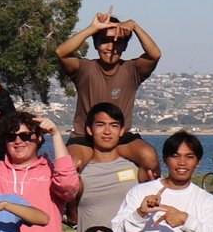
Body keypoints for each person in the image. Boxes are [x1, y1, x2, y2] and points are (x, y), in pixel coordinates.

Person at [110, 132, 213, 232]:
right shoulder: (140, 192)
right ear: (164, 159)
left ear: (198, 162)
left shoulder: (207, 201)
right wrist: (140, 214)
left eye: (189, 157)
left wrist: (186, 221)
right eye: (175, 156)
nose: (182, 163)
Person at [55, 9, 161, 139]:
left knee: (148, 156)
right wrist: (92, 28)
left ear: (125, 46)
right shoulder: (84, 68)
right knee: (75, 160)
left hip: (120, 137)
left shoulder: (132, 70)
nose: (111, 47)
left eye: (117, 42)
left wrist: (134, 26)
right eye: (105, 41)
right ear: (96, 44)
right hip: (84, 137)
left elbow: (155, 55)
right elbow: (61, 52)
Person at [66, 103, 156, 232]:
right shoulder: (79, 174)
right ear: (90, 130)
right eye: (100, 125)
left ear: (121, 131)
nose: (107, 131)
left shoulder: (135, 169)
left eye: (114, 125)